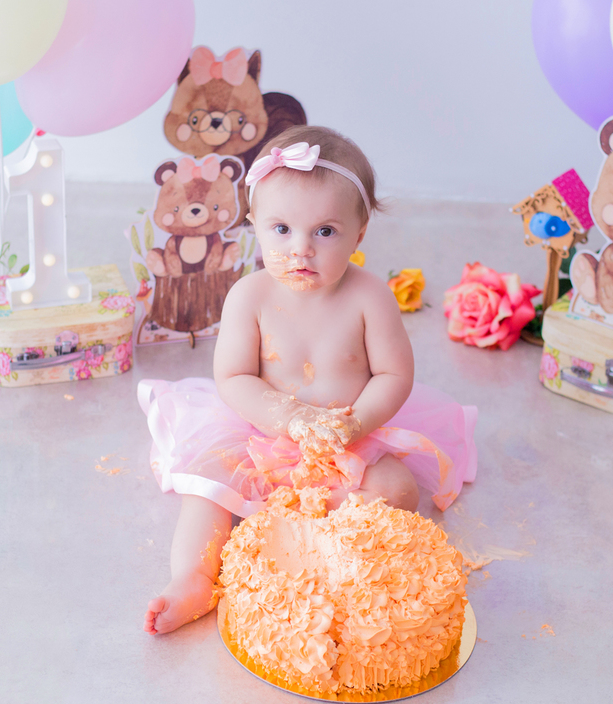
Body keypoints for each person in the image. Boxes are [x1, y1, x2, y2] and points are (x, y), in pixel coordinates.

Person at [140, 126, 476, 635]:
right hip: (261, 432)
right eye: (281, 230)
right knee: (206, 490)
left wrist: (356, 422)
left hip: (348, 437)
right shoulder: (249, 297)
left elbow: (394, 374)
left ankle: (304, 528)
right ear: (253, 224)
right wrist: (291, 417)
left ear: (358, 234)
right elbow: (232, 376)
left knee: (399, 490)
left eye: (324, 232)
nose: (301, 250)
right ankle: (193, 578)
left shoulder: (370, 298)